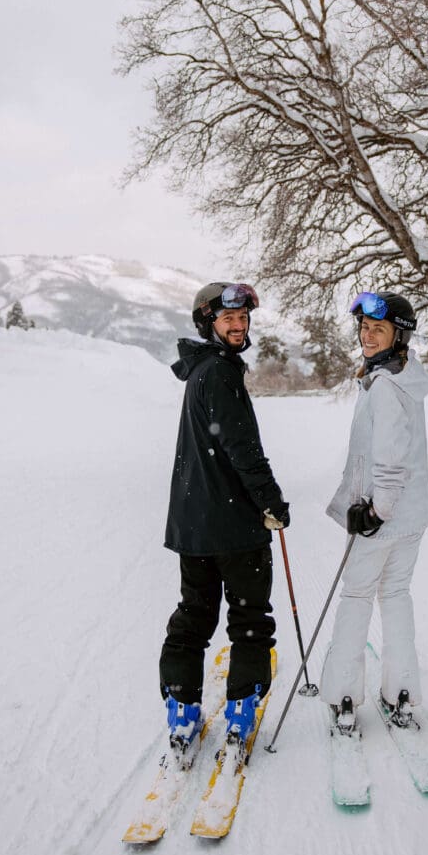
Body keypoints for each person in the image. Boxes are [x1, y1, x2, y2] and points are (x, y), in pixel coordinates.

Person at [160, 281, 290, 760]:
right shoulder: (219, 372)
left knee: (194, 616)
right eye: (228, 319)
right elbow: (242, 450)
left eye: (242, 319)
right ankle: (239, 709)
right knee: (250, 620)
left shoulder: (202, 369)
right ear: (207, 323)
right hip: (233, 527)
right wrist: (273, 502)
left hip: (195, 526)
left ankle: (182, 708)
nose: (238, 326)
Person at [320, 290, 428, 733]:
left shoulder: (385, 387)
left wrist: (374, 513)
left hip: (384, 520)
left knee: (356, 598)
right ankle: (401, 694)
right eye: (364, 328)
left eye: (377, 329)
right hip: (413, 518)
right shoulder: (404, 377)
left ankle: (344, 697)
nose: (367, 335)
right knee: (396, 596)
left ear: (398, 336)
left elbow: (390, 460)